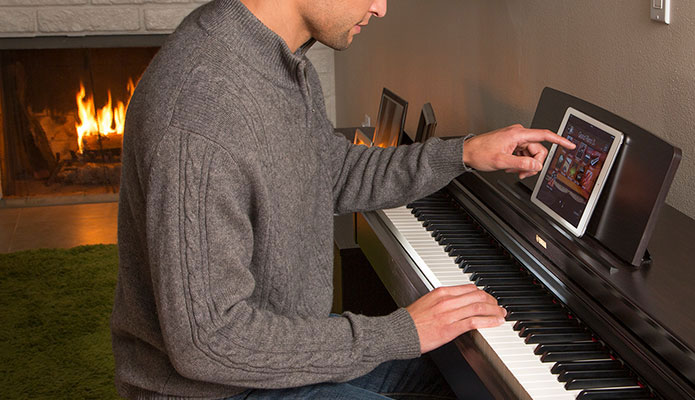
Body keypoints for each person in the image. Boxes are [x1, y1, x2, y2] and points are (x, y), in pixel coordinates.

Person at [109, 0, 575, 398]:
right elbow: (209, 340)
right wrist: (399, 332)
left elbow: (331, 173)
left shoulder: (279, 60)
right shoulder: (202, 107)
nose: (381, 7)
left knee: (464, 378)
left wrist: (464, 153)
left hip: (275, 350)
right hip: (218, 388)